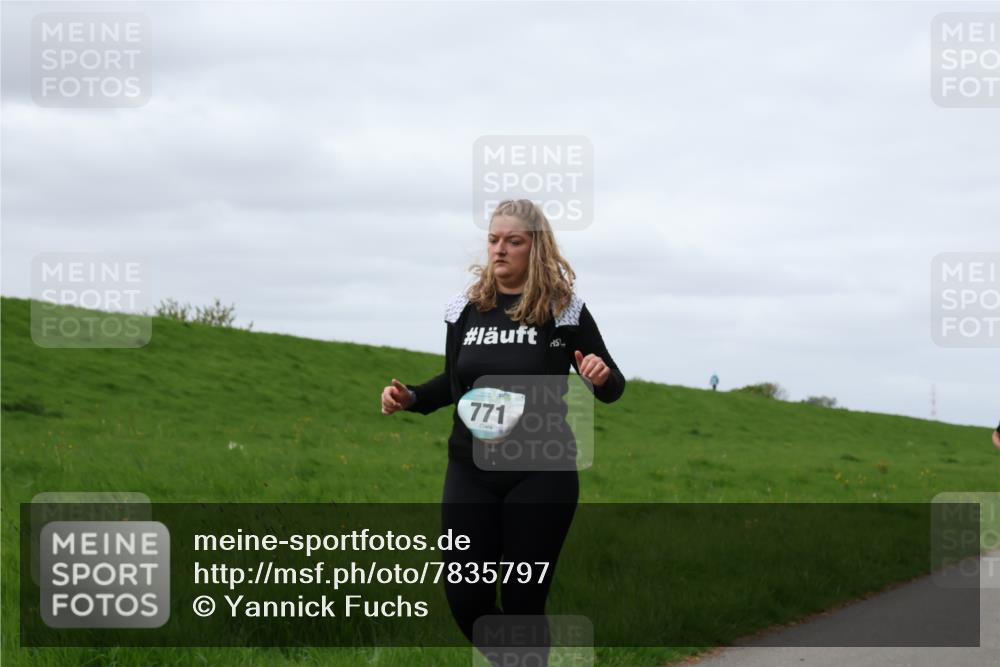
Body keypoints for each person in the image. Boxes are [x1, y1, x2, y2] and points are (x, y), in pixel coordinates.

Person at [380, 199, 625, 665]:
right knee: (465, 598)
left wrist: (600, 376)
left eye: (514, 241)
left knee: (521, 601)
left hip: (541, 473)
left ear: (536, 247)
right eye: (494, 240)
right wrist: (411, 397)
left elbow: (613, 385)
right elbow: (454, 381)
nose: (500, 249)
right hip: (470, 470)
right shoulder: (465, 309)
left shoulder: (562, 309)